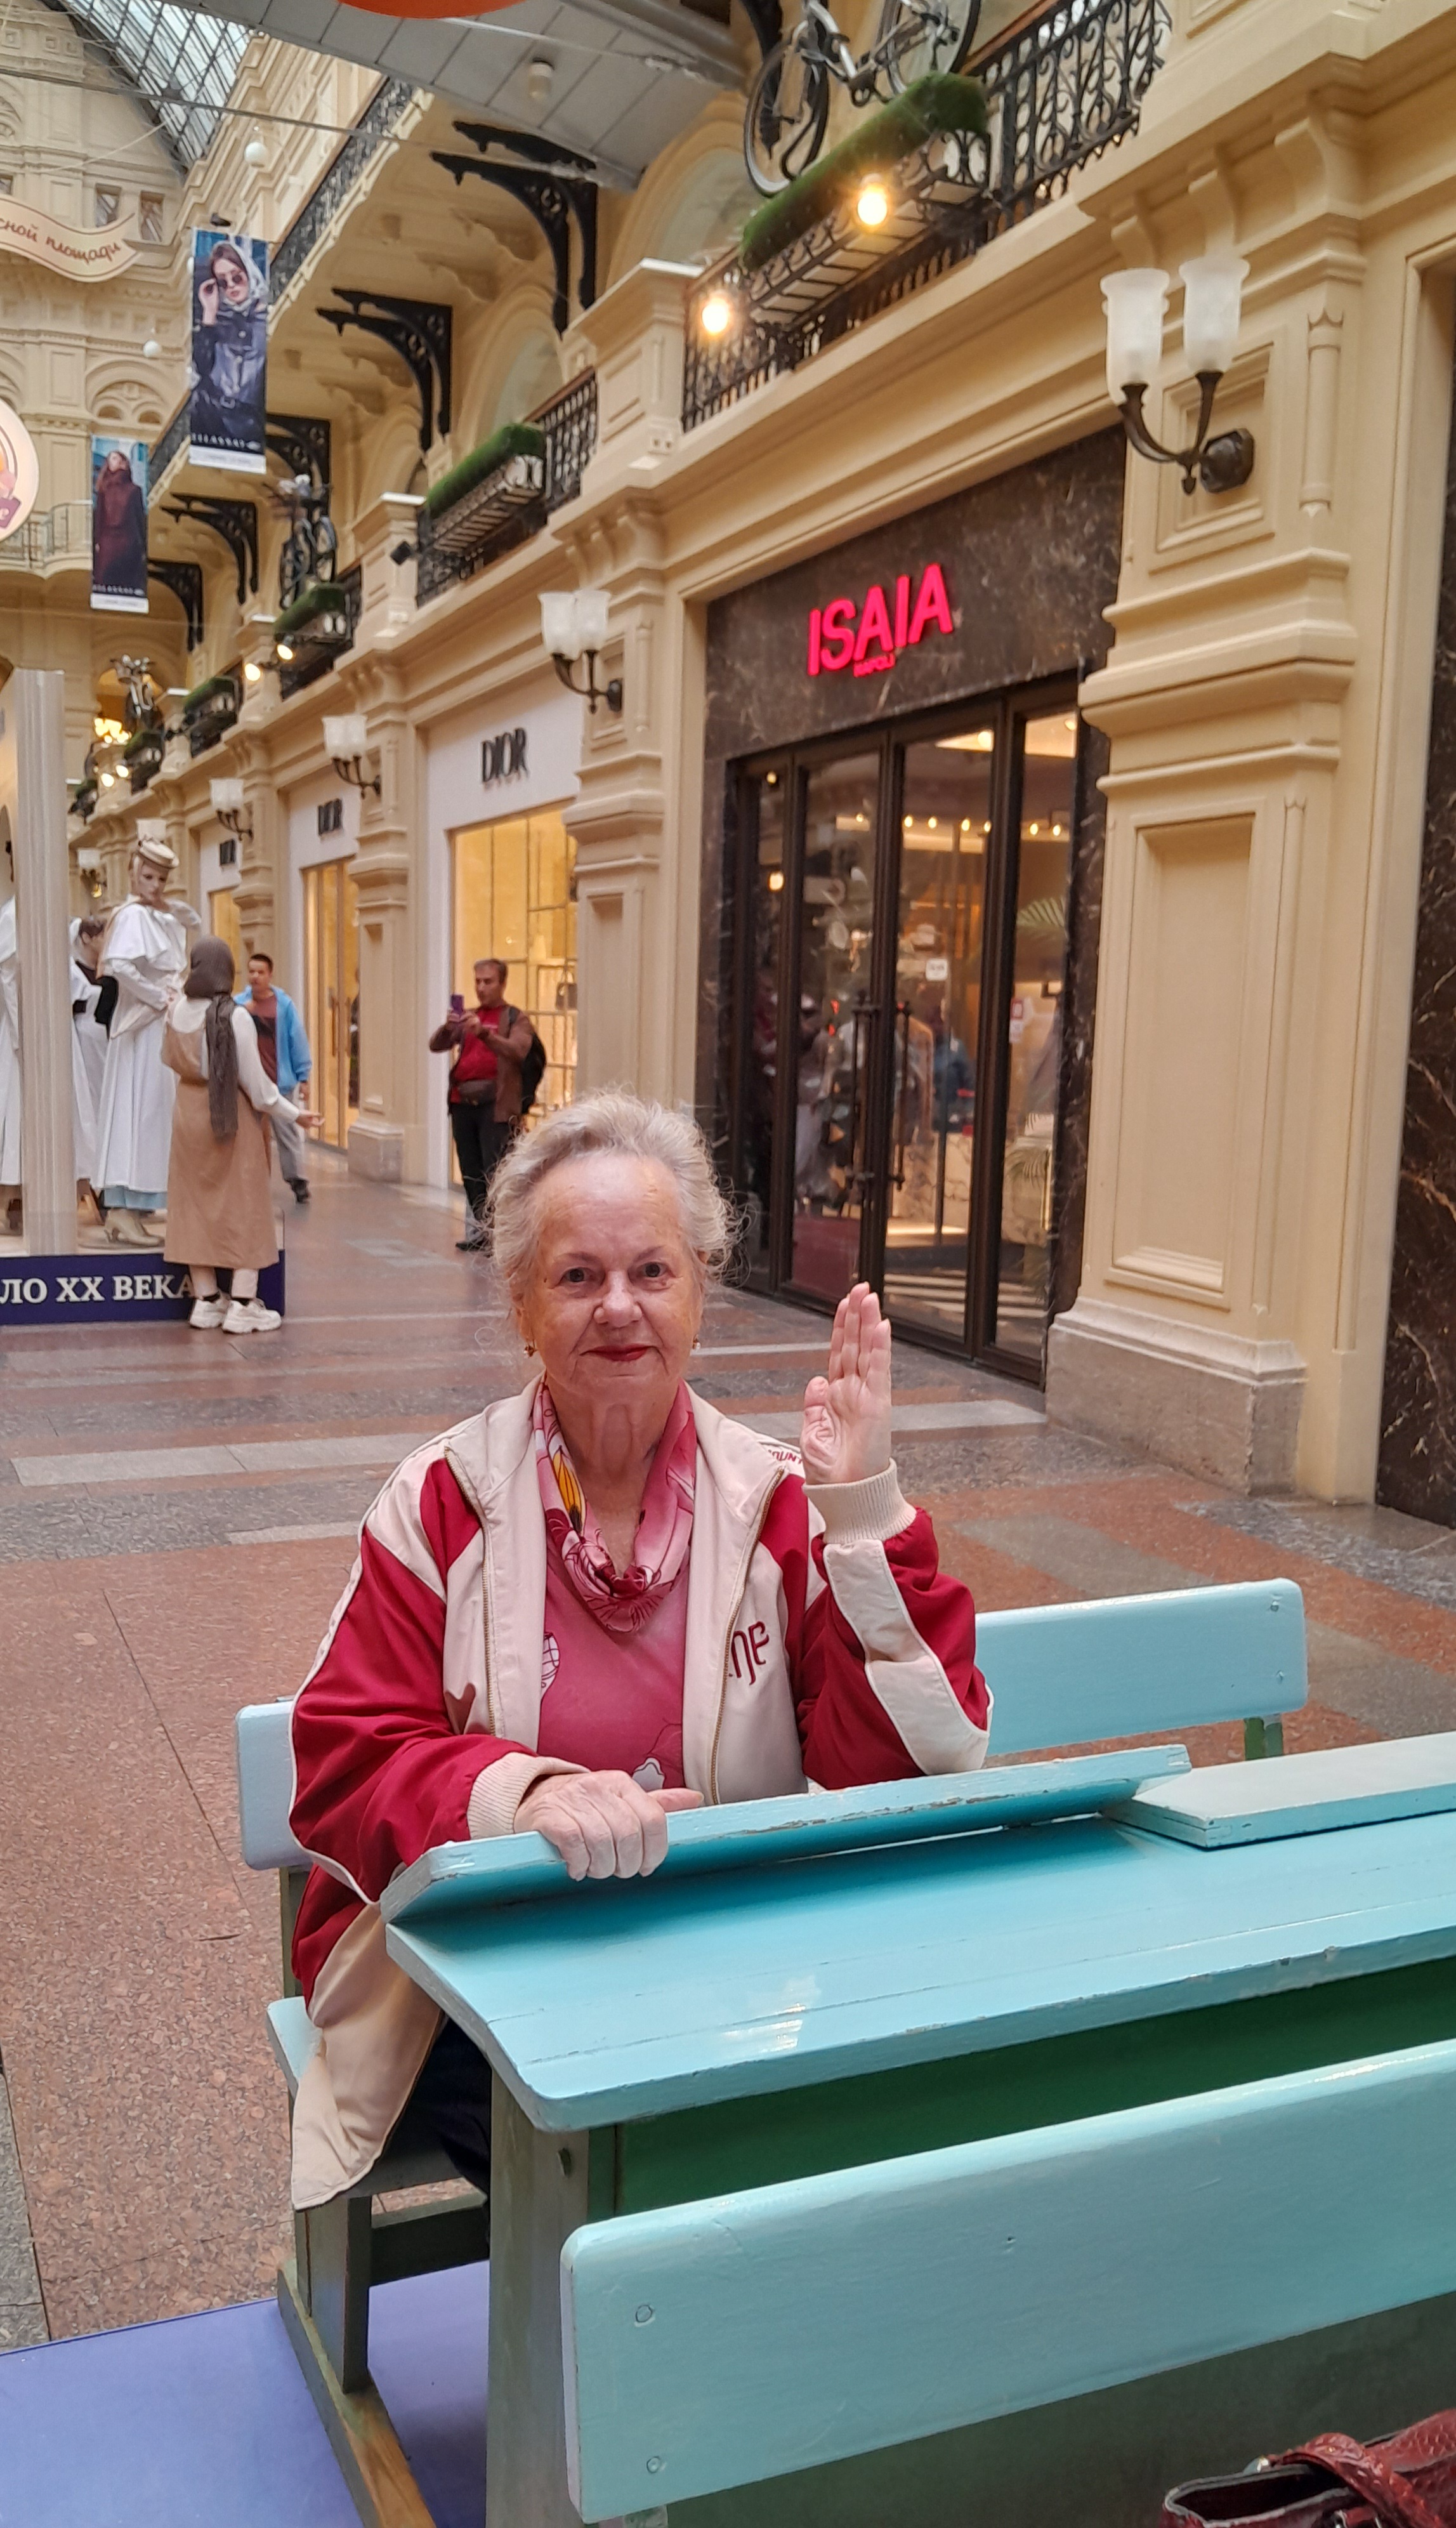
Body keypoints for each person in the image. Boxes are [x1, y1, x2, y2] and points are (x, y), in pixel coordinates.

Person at [285, 1091, 988, 2210]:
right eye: (578, 1276)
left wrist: (860, 1513)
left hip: (728, 1957)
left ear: (700, 1292)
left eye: (652, 1271)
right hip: (483, 1975)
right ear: (521, 1302)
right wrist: (522, 1796)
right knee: (606, 2136)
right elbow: (345, 1759)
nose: (619, 1306)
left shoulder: (779, 1502)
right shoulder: (441, 1501)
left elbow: (905, 1773)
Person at [162, 937, 319, 1335]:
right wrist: (296, 1114)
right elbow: (259, 1089)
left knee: (193, 1206)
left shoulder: (176, 1011)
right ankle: (244, 1304)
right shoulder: (234, 1017)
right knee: (247, 1204)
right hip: (229, 1116)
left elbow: (168, 1060)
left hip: (187, 1114)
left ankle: (206, 1300)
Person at [93, 837, 199, 1244]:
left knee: (151, 1110)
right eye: (149, 877)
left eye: (161, 879)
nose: (155, 886)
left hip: (156, 1023)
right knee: (140, 1109)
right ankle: (124, 1204)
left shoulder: (158, 915)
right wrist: (159, 997)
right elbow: (120, 966)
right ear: (135, 874)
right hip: (142, 1026)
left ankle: (131, 1205)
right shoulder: (134, 916)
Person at [429, 958, 534, 1251]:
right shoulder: (470, 1017)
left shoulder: (516, 1018)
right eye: (478, 981)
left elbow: (518, 1051)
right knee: (471, 1172)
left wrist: (485, 1034)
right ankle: (482, 1232)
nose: (481, 987)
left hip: (495, 1108)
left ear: (502, 983)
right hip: (462, 1104)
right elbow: (436, 1045)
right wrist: (449, 1028)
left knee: (496, 1172)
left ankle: (502, 1237)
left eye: (488, 982)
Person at [237, 951, 313, 1204]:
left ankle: (298, 1180)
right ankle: (251, 1181)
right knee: (249, 1134)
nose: (255, 977)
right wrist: (242, 1012)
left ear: (270, 975)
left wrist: (304, 1077)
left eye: (261, 972)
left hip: (280, 1081)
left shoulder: (284, 1005)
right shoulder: (238, 1004)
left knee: (287, 1130)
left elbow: (297, 1040)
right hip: (248, 1083)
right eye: (251, 971)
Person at [191, 239, 266, 454]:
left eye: (237, 277)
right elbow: (202, 365)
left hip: (250, 422)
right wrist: (209, 313)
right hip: (211, 414)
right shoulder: (219, 319)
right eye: (223, 282)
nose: (232, 286)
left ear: (248, 273)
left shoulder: (266, 318)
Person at [91, 448, 147, 600]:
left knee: (107, 587)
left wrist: (97, 542)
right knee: (127, 587)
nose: (111, 461)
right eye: (110, 458)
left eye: (115, 458)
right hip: (126, 544)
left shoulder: (106, 489)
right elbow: (140, 520)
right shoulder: (129, 490)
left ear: (124, 463)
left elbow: (100, 518)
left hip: (112, 545)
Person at [0, 839, 18, 1235]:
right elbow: (10, 979)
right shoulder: (12, 918)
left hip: (42, 1034)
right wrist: (21, 1035)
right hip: (20, 1036)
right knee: (14, 1115)